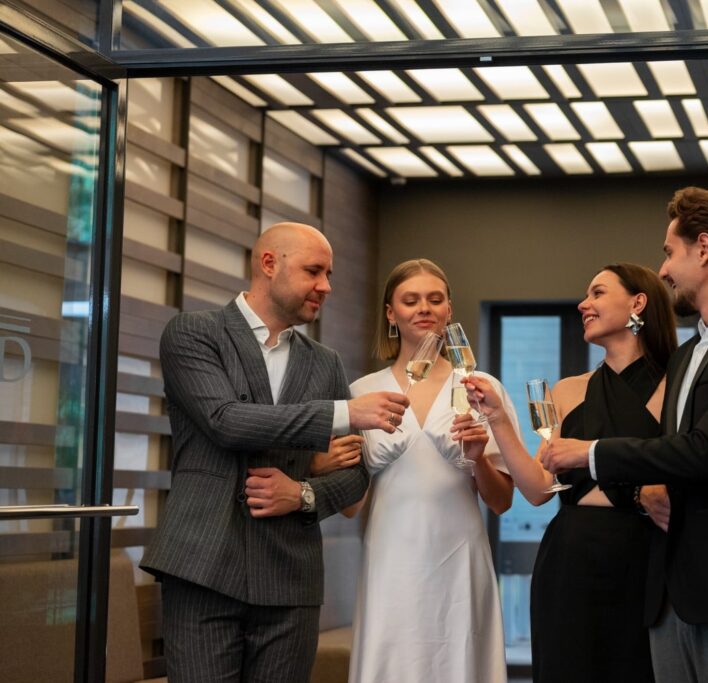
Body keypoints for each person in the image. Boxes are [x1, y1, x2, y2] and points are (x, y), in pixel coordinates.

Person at [541, 187, 708, 683]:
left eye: (669, 252)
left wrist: (590, 453)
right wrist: (647, 490)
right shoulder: (686, 356)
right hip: (668, 601)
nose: (663, 270)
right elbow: (669, 461)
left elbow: (707, 451)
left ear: (703, 248)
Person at [141, 222, 410, 682]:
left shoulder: (324, 362)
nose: (325, 286)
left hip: (291, 579)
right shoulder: (192, 334)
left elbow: (353, 474)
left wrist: (302, 493)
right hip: (203, 566)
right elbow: (226, 422)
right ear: (269, 264)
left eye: (328, 274)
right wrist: (344, 412)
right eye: (313, 271)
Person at [464, 263, 677, 683]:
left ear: (637, 303)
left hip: (645, 556)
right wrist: (498, 422)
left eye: (597, 293)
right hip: (569, 559)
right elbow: (539, 489)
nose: (584, 304)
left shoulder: (677, 384)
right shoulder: (566, 390)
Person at [337, 258, 517, 683]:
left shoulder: (479, 388)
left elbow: (503, 501)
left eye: (435, 299)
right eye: (411, 299)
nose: (424, 308)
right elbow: (348, 508)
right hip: (390, 560)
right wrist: (354, 465)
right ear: (390, 313)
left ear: (449, 310)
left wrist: (475, 459)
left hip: (458, 557)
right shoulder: (362, 393)